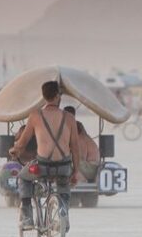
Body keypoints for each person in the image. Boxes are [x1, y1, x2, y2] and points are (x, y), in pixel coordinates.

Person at [9, 81, 80, 229]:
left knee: (23, 177)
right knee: (64, 184)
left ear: (44, 96)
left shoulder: (35, 116)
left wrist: (14, 150)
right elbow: (75, 146)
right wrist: (76, 171)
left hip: (43, 166)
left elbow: (22, 143)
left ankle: (27, 217)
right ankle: (63, 213)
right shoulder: (69, 117)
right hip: (63, 166)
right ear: (57, 96)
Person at [63, 105, 100, 182]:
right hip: (89, 166)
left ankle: (79, 180)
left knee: (69, 160)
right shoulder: (80, 132)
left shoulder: (80, 139)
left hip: (91, 169)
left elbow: (80, 158)